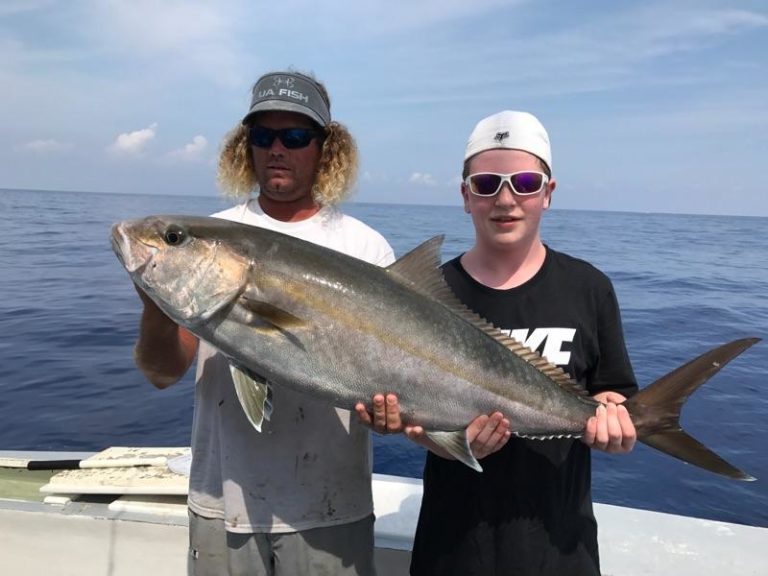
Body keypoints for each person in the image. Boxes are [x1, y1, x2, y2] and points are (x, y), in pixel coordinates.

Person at [132, 70, 394, 576]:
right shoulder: (209, 240)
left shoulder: (365, 248)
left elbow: (393, 382)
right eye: (263, 136)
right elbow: (163, 373)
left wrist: (397, 419)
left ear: (324, 149)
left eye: (296, 137)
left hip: (332, 507)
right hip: (221, 501)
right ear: (244, 146)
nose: (278, 149)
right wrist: (154, 306)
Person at [362, 110, 639, 575]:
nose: (506, 199)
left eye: (526, 182)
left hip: (562, 552)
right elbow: (417, 420)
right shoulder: (424, 295)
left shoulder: (589, 288)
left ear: (548, 194)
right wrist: (440, 440)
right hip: (451, 554)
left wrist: (617, 426)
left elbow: (613, 392)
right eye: (487, 183)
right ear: (465, 195)